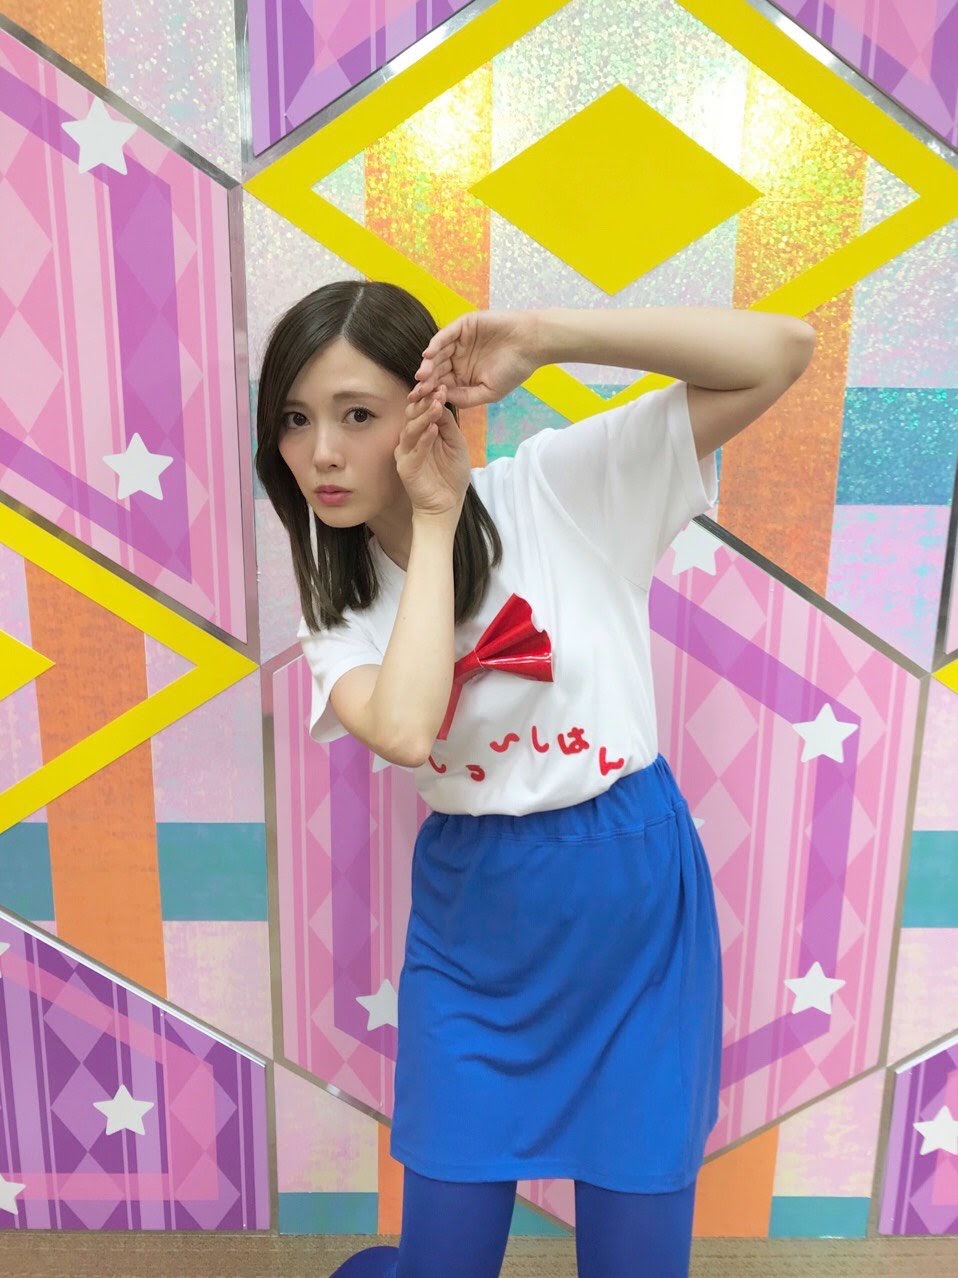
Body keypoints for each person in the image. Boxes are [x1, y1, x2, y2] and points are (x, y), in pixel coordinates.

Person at [255, 280, 816, 1278]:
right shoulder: (336, 606)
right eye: (296, 420)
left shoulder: (560, 487)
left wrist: (548, 336)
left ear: (427, 407)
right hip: (475, 930)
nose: (322, 453)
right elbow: (406, 728)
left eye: (357, 414)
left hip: (633, 916)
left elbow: (782, 349)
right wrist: (435, 519)